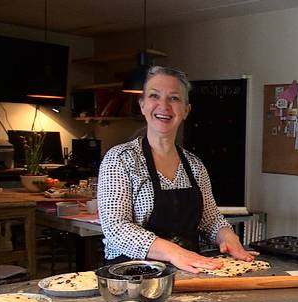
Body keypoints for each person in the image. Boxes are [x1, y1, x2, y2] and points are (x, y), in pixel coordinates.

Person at [97, 66, 256, 273]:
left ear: (186, 111)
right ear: (143, 105)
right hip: (130, 279)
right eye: (154, 96)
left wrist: (227, 236)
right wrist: (174, 252)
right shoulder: (120, 159)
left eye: (174, 98)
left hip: (188, 274)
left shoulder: (194, 165)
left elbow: (211, 219)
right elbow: (116, 229)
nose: (163, 105)